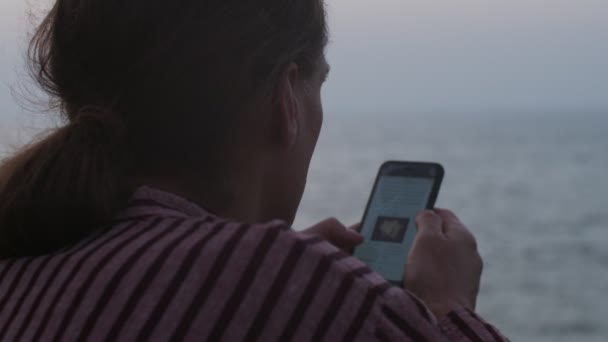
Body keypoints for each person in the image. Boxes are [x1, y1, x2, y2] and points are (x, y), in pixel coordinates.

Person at [0, 0, 509, 340]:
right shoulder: (299, 279)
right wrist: (446, 308)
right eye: (319, 84)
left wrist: (273, 285)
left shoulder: (23, 257)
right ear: (286, 98)